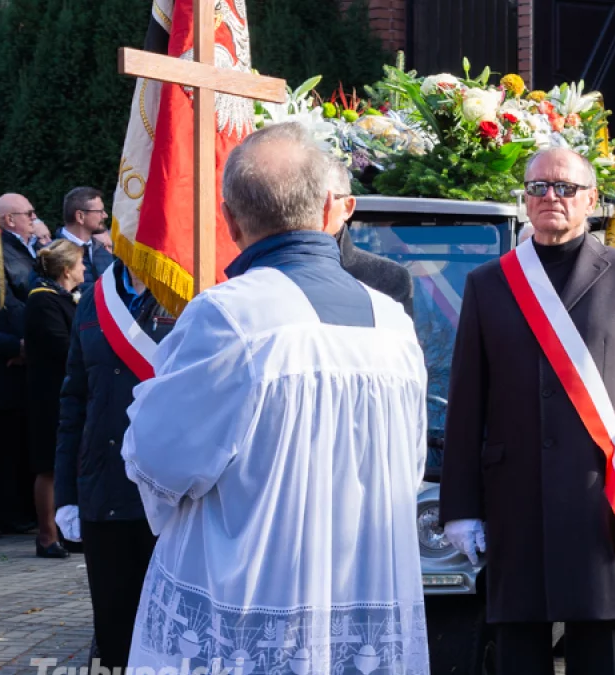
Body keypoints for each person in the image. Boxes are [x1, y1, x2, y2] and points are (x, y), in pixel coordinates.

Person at [121, 122, 429, 674]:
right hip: (364, 585)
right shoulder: (392, 323)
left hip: (252, 594)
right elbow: (408, 466)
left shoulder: (230, 316)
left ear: (232, 221)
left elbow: (157, 458)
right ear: (332, 212)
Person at [440, 147, 615, 675]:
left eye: (566, 188)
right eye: (539, 187)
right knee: (518, 650)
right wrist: (460, 506)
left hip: (604, 500)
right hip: (514, 497)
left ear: (592, 200)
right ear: (525, 198)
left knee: (603, 651)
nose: (552, 196)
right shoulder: (488, 282)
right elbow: (466, 403)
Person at [55, 261, 174, 671]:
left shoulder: (190, 293)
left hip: (170, 499)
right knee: (112, 638)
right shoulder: (94, 299)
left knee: (170, 636)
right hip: (102, 491)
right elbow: (74, 401)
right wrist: (66, 496)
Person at [25, 241, 84, 558]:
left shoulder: (65, 299)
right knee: (48, 465)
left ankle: (66, 530)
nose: (85, 268)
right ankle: (47, 536)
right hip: (49, 394)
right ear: (66, 269)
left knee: (67, 461)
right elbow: (61, 345)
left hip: (65, 392)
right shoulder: (42, 302)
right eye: (80, 263)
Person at [0, 193, 38, 536]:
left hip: (10, 373)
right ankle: (4, 515)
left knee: (11, 448)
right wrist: (15, 344)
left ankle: (14, 512)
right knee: (1, 453)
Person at [321, 161, 414, 316]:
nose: (305, 208)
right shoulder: (269, 272)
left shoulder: (388, 278)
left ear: (347, 207)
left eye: (318, 200)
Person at [56, 187, 114, 287]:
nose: (105, 215)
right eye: (100, 211)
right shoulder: (54, 256)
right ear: (80, 216)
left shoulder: (103, 251)